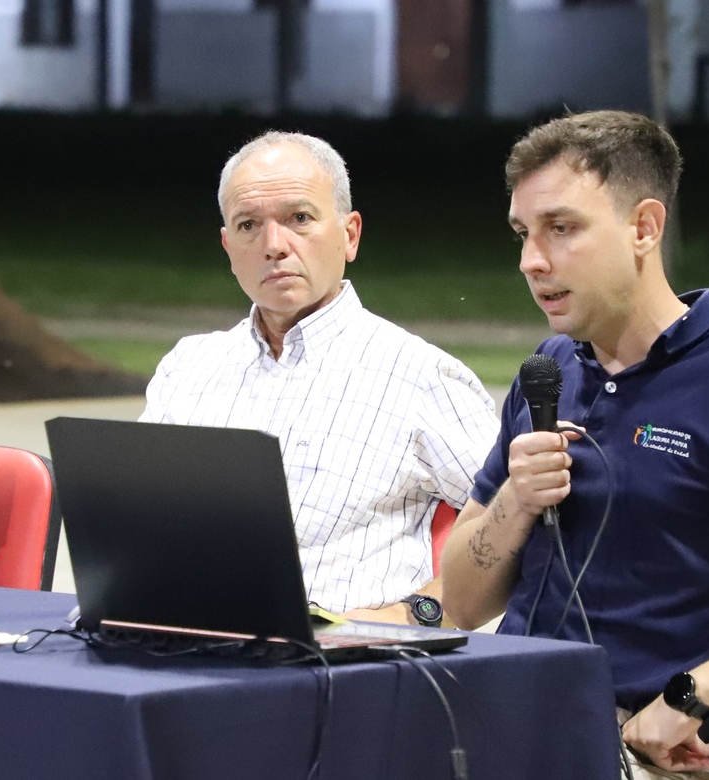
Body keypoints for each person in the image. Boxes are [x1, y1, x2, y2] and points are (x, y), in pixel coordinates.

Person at [439, 110, 709, 777]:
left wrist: (693, 694)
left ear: (644, 227)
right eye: (524, 234)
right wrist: (514, 502)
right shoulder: (550, 370)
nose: (532, 260)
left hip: (638, 753)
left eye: (562, 228)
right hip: (504, 723)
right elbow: (463, 605)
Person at [140, 131, 498, 623]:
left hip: (344, 668)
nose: (273, 246)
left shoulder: (420, 376)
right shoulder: (188, 368)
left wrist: (420, 614)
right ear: (228, 246)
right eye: (249, 225)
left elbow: (517, 528)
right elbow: (137, 526)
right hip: (185, 640)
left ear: (349, 235)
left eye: (299, 219)